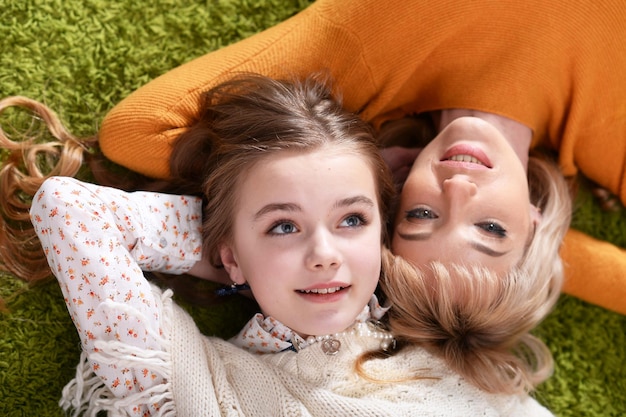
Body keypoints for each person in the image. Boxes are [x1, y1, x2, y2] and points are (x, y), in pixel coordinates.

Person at [26, 74, 557, 416]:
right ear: (230, 254)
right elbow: (69, 210)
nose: (324, 254)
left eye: (352, 218)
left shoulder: (464, 374)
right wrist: (235, 245)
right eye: (283, 226)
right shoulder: (190, 385)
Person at [90, 0, 626, 315]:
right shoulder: (611, 128)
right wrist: (544, 248)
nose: (458, 190)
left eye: (421, 216)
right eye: (491, 228)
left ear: (392, 182)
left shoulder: (370, 48)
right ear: (534, 223)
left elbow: (137, 131)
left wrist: (343, 171)